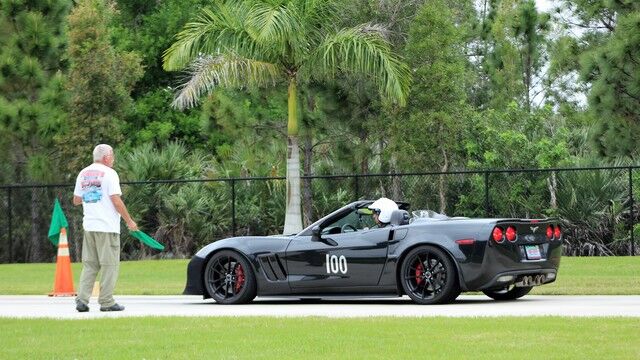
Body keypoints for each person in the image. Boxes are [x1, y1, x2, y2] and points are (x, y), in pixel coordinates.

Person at [72, 144, 138, 312]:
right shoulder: (110, 173)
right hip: (107, 227)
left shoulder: (83, 173)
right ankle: (107, 302)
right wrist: (129, 221)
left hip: (90, 226)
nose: (113, 159)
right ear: (107, 157)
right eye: (112, 156)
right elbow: (116, 200)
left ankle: (82, 299)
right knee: (109, 265)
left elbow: (76, 200)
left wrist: (92, 192)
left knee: (90, 265)